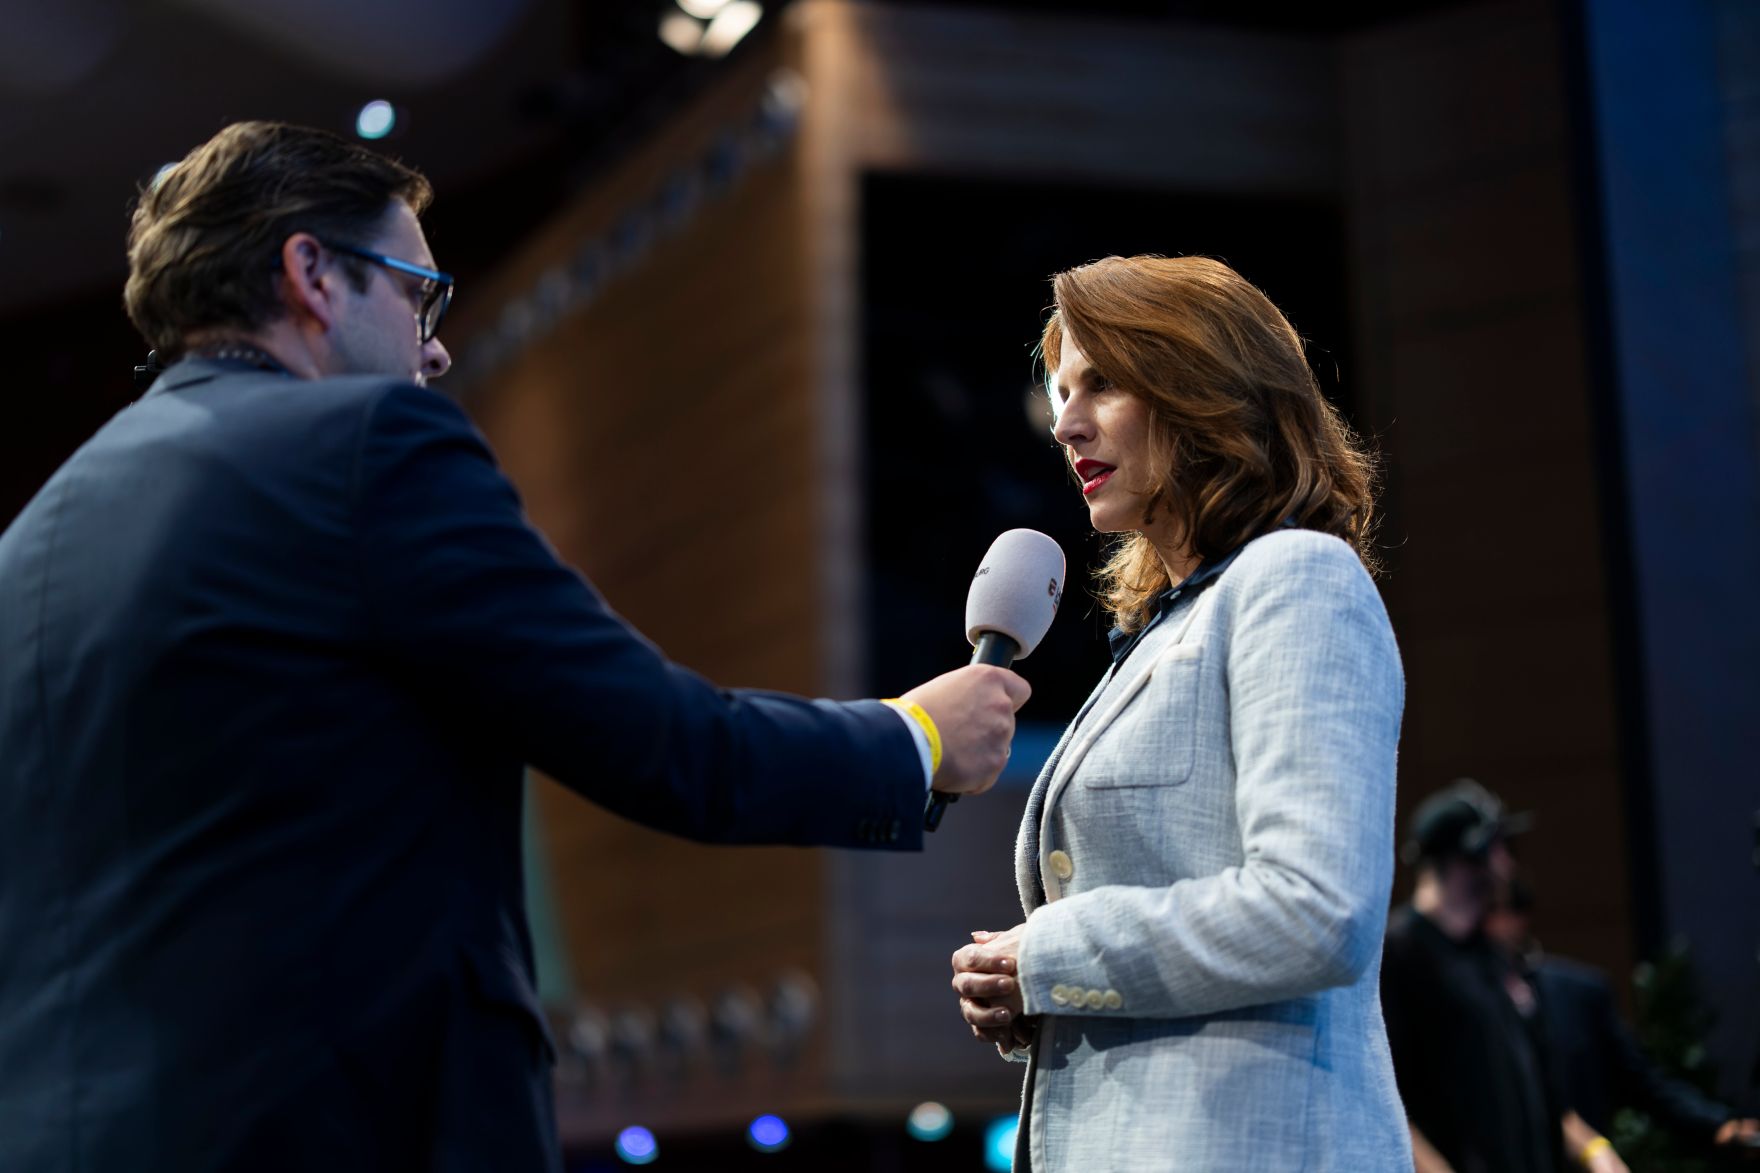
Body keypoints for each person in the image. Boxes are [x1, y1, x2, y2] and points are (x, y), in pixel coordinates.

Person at [0, 121, 1028, 1172]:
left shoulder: (35, 535)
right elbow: (664, 741)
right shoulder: (363, 449)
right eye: (416, 293)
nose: (436, 344)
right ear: (311, 272)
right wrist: (914, 741)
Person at [947, 255, 1410, 1170]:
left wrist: (1049, 953)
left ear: (1204, 388)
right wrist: (1030, 989)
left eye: (1104, 383)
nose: (1066, 422)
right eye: (1061, 390)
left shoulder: (1297, 580)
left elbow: (1318, 910)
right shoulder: (1164, 628)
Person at [1381, 779, 1629, 1173]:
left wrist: (1598, 1152)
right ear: (1467, 855)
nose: (1507, 864)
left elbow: (1550, 1104)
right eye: (1497, 847)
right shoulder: (1399, 955)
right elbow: (1387, 1105)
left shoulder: (1496, 960)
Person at [1485, 876, 1760, 1160]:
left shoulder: (1576, 995)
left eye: (1492, 909)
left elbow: (1644, 1083)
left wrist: (1717, 1124)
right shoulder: (1456, 1004)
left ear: (1519, 917)